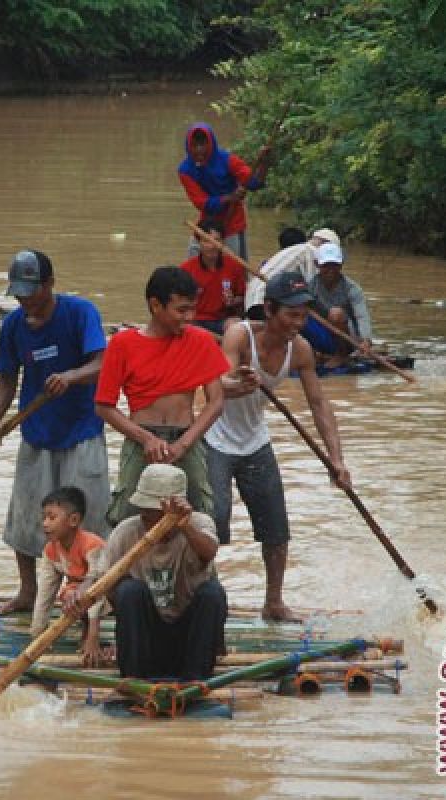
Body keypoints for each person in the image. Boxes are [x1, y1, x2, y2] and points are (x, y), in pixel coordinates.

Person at [205, 270, 350, 621]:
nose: (298, 324)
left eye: (303, 315)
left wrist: (336, 460)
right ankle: (206, 594)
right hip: (217, 439)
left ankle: (273, 602)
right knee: (213, 522)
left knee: (276, 528)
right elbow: (217, 386)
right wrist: (238, 381)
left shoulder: (300, 351)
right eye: (291, 315)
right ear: (269, 309)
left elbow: (319, 404)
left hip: (255, 441)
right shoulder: (240, 335)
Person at [0, 250, 109, 613]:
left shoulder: (80, 313)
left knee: (90, 515)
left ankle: (94, 593)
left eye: (31, 293)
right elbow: (7, 379)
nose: (25, 301)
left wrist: (70, 376)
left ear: (49, 285)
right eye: (19, 294)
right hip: (36, 432)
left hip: (81, 430)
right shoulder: (14, 326)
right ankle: (28, 592)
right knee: (27, 516)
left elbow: (101, 363)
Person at [95, 266, 229, 525]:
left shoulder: (200, 341)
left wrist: (184, 444)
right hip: (141, 440)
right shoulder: (122, 345)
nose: (189, 317)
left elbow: (216, 402)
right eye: (181, 310)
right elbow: (103, 406)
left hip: (187, 438)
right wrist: (145, 438)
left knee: (201, 517)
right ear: (155, 305)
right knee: (127, 517)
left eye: (192, 309)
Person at [93, 464, 227, 680]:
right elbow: (100, 581)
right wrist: (90, 629)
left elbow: (209, 552)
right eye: (143, 511)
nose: (145, 517)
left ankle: (194, 679)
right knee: (128, 590)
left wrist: (184, 526)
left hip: (190, 639)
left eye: (153, 513)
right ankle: (134, 679)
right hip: (145, 638)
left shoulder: (199, 524)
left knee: (213, 593)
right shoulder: (127, 531)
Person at [30, 487, 108, 667]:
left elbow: (98, 583)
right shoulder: (50, 551)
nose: (45, 524)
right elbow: (45, 595)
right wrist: (38, 635)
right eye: (44, 517)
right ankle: (85, 628)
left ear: (73, 520)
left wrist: (93, 637)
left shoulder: (92, 545)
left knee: (85, 591)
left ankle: (89, 633)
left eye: (52, 517)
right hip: (82, 595)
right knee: (69, 594)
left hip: (107, 593)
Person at [178, 123, 271, 262]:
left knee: (235, 268)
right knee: (192, 266)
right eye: (195, 145)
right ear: (188, 146)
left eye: (203, 145)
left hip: (232, 223)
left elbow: (254, 183)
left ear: (211, 144)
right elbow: (202, 203)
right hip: (207, 223)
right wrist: (229, 198)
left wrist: (264, 163)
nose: (199, 150)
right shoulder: (185, 170)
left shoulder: (227, 160)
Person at [305, 242, 374, 368]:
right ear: (317, 264)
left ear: (341, 265)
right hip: (323, 333)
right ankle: (313, 352)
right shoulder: (310, 286)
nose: (331, 270)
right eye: (326, 265)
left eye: (335, 265)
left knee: (336, 313)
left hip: (347, 338)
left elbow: (362, 316)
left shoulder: (352, 288)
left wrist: (366, 340)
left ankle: (341, 355)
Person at [244, 226, 340, 313]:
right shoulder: (311, 252)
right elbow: (313, 290)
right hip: (261, 302)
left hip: (253, 298)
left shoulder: (297, 248)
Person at [179, 218, 246, 336]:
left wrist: (232, 301)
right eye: (206, 241)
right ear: (199, 243)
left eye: (216, 240)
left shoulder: (235, 266)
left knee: (236, 325)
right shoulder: (186, 269)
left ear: (223, 242)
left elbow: (243, 297)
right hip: (195, 320)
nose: (212, 246)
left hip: (223, 320)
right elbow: (178, 302)